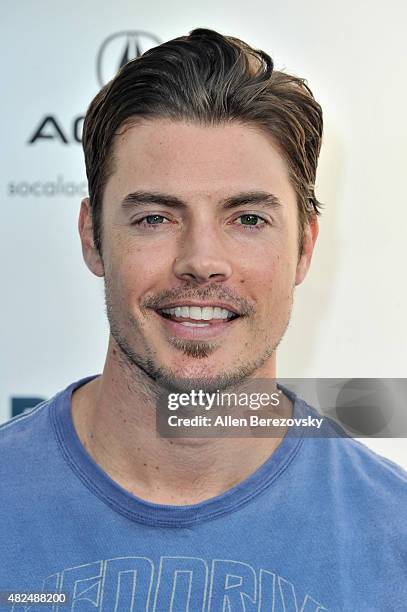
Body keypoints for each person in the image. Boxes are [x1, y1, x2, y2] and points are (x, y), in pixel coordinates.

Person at [1, 28, 406, 611]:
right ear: (92, 236)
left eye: (247, 219)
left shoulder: (395, 540)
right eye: (154, 218)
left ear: (305, 247)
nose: (201, 263)